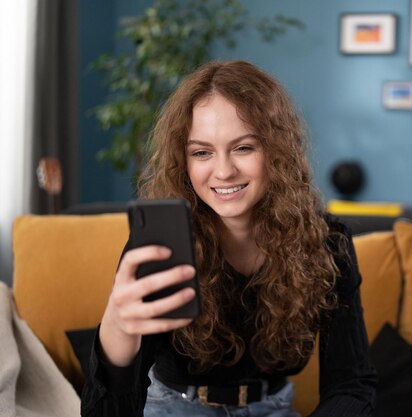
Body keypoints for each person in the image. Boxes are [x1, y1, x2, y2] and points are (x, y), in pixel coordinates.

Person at [80, 60, 377, 417]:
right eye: (202, 152)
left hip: (276, 409)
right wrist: (116, 327)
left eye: (244, 148)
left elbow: (351, 384)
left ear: (277, 151)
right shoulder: (160, 245)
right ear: (184, 161)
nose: (223, 171)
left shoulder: (329, 244)